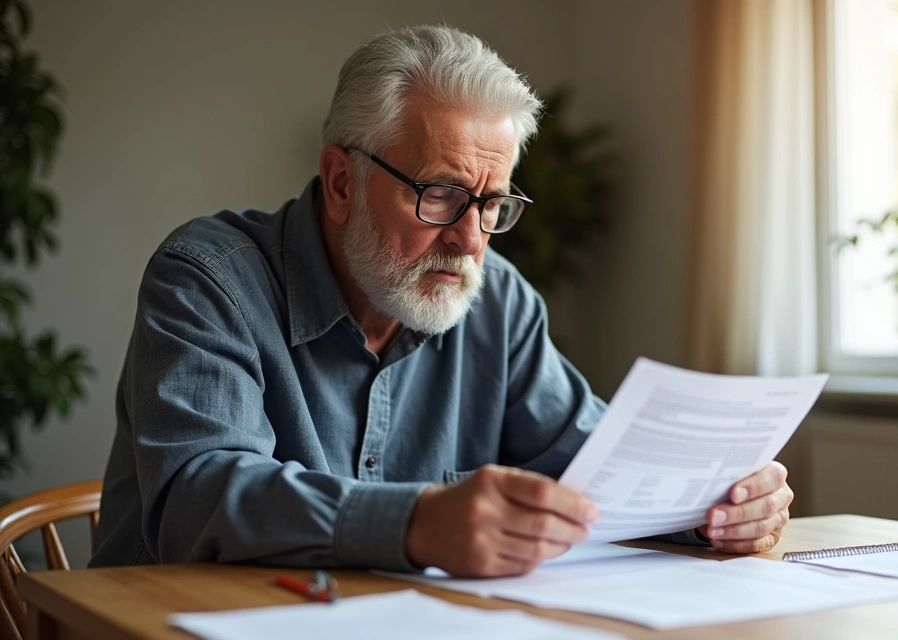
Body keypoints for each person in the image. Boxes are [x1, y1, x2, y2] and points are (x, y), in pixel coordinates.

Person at [90, 25, 793, 578]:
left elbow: (604, 471)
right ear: (341, 182)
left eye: (490, 204)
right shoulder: (209, 279)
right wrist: (416, 522)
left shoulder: (499, 303)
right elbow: (198, 497)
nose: (469, 239)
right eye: (441, 194)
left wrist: (717, 504)